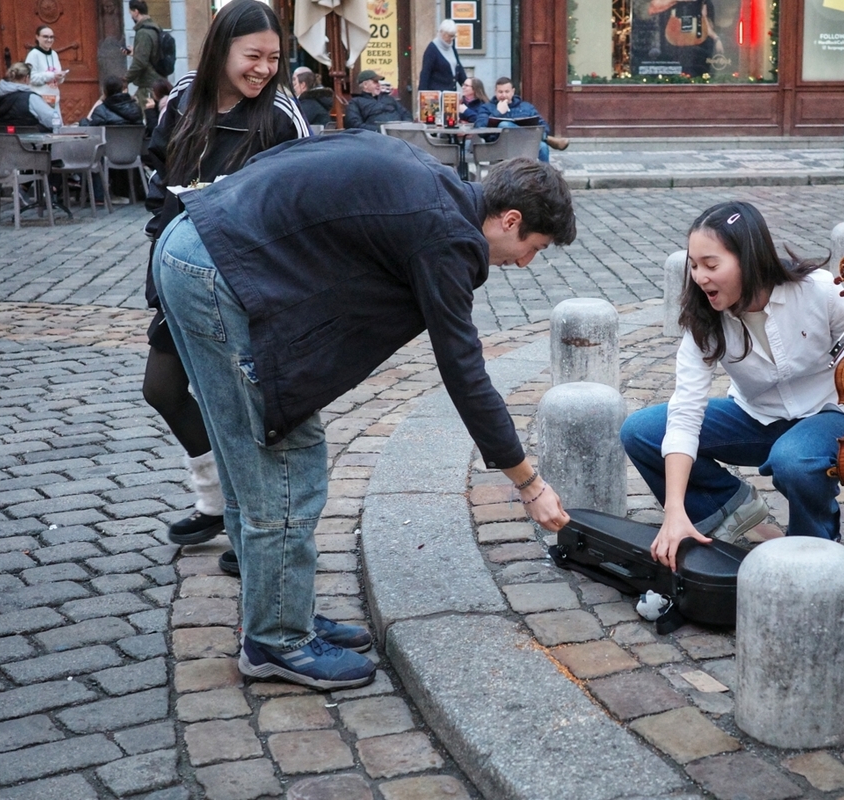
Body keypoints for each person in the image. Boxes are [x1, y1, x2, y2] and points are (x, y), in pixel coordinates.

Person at [152, 145, 575, 689]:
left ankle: (282, 611)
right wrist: (529, 483)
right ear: (511, 220)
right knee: (286, 460)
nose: (525, 263)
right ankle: (277, 640)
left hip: (193, 240)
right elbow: (464, 371)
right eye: (532, 248)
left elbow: (291, 156)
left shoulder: (431, 182)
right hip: (217, 269)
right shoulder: (446, 236)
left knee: (246, 458)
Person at [620, 201, 844, 571]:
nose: (700, 277)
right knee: (642, 430)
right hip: (756, 417)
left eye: (711, 265)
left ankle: (815, 551)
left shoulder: (819, 290)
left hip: (827, 415)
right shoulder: (705, 319)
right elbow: (685, 412)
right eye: (694, 265)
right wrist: (674, 511)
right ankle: (730, 509)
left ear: (748, 259)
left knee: (793, 460)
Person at [141, 0, 310, 566]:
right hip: (180, 273)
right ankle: (215, 500)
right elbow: (161, 178)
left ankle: (249, 531)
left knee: (240, 411)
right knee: (162, 389)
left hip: (248, 285)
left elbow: (302, 197)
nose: (264, 69)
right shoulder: (183, 97)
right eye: (253, 56)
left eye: (274, 58)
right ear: (221, 49)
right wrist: (163, 251)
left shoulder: (281, 114)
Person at [474, 76, 568, 163]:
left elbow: (543, 125)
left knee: (542, 146)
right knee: (504, 125)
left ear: (513, 91)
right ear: (495, 92)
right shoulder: (487, 108)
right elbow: (480, 129)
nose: (504, 95)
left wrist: (540, 130)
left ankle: (546, 175)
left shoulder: (526, 107)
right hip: (499, 147)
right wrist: (498, 112)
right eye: (500, 92)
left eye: (507, 92)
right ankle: (545, 138)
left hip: (525, 146)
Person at [0, 62, 56, 132]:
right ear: (26, 78)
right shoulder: (31, 98)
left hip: (1, 139)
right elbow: (53, 121)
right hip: (30, 139)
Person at [124, 0, 165, 107]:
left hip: (148, 85)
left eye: (131, 12)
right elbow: (152, 54)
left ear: (136, 12)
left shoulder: (143, 33)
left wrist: (125, 79)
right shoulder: (155, 28)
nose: (131, 16)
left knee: (146, 114)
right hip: (156, 82)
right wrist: (135, 53)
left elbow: (140, 62)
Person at [344, 69, 410, 132]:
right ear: (365, 85)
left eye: (378, 82)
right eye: (375, 82)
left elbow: (406, 114)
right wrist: (379, 130)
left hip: (399, 134)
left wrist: (404, 127)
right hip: (375, 136)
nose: (379, 85)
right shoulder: (356, 102)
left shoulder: (388, 98)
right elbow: (353, 124)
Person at [25, 25, 64, 126]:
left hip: (54, 100)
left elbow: (57, 76)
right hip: (40, 101)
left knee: (57, 128)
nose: (49, 40)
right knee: (44, 130)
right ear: (37, 37)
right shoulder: (33, 54)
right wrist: (52, 75)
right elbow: (31, 78)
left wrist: (60, 77)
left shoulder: (54, 54)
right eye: (45, 37)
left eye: (51, 37)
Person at [418, 18, 467, 92]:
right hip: (436, 94)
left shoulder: (451, 47)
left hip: (451, 93)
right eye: (449, 36)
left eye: (453, 36)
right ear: (441, 33)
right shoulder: (432, 49)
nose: (451, 39)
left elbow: (458, 67)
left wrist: (467, 85)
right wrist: (421, 93)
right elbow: (425, 73)